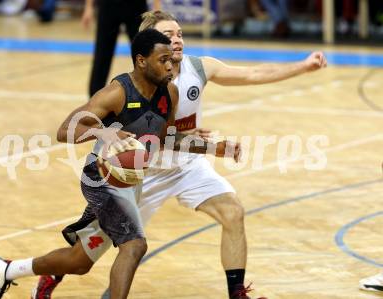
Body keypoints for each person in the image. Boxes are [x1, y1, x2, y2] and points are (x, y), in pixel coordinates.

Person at [31, 10, 327, 299]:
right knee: (85, 256)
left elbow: (253, 73)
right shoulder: (135, 84)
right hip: (139, 173)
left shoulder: (200, 68)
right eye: (168, 35)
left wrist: (303, 66)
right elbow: (80, 128)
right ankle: (50, 271)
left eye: (180, 33)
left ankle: (237, 293)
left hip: (186, 166)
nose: (177, 39)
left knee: (233, 213)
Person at [0, 28, 241, 299]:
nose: (170, 66)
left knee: (79, 261)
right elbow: (65, 129)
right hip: (102, 177)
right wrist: (103, 131)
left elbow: (166, 139)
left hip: (130, 179)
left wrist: (214, 148)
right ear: (141, 61)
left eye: (171, 60)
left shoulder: (169, 94)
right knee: (134, 246)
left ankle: (5, 270)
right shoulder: (117, 92)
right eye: (162, 60)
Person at [82, 0, 148, 97]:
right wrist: (88, 7)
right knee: (102, 54)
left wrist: (157, 8)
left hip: (136, 6)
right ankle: (94, 99)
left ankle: (149, 96)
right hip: (109, 5)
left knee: (143, 53)